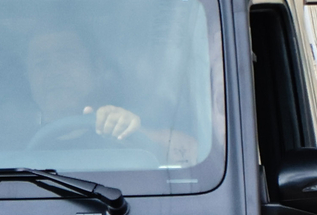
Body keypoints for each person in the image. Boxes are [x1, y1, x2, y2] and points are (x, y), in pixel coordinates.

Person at [21, 26, 200, 164]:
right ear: (28, 79)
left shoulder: (125, 131)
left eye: (67, 58)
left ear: (95, 68)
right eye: (41, 63)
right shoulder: (5, 145)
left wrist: (135, 134)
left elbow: (190, 156)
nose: (55, 72)